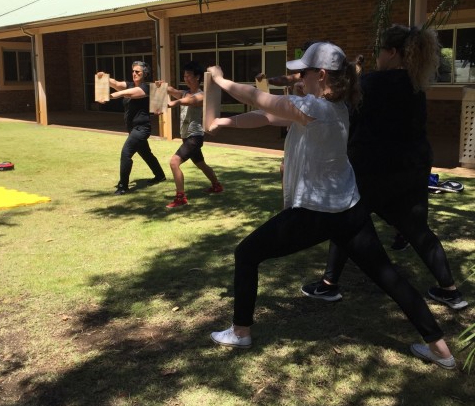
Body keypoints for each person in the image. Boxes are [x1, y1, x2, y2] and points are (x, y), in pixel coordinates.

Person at [207, 42, 455, 370]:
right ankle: (440, 350)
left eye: (304, 72)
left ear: (320, 75)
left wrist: (221, 81)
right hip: (349, 210)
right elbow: (268, 115)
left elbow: (260, 98)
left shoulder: (318, 110)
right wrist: (226, 124)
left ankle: (240, 331)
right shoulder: (334, 107)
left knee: (247, 253)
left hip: (316, 213)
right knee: (389, 277)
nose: (298, 76)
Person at [302, 25, 467, 311]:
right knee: (417, 230)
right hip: (412, 169)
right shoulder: (416, 87)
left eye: (381, 50)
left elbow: (345, 116)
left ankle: (329, 285)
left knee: (346, 219)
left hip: (373, 170)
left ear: (391, 53)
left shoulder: (372, 84)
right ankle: (450, 291)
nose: (378, 56)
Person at [97, 62, 166, 195]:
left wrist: (112, 96)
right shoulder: (128, 84)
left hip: (142, 128)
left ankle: (123, 186)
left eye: (138, 72)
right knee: (145, 153)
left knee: (126, 153)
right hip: (132, 128)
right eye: (133, 71)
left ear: (145, 74)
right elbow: (116, 83)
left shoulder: (146, 87)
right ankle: (160, 175)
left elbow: (131, 93)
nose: (134, 73)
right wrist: (104, 78)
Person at [164, 61, 223, 209]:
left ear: (198, 77)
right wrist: (162, 86)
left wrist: (175, 103)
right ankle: (217, 186)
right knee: (201, 164)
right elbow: (172, 90)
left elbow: (191, 101)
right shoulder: (184, 92)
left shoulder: (202, 95)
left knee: (174, 162)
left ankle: (180, 197)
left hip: (195, 137)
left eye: (189, 76)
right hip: (187, 137)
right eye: (184, 76)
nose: (186, 78)